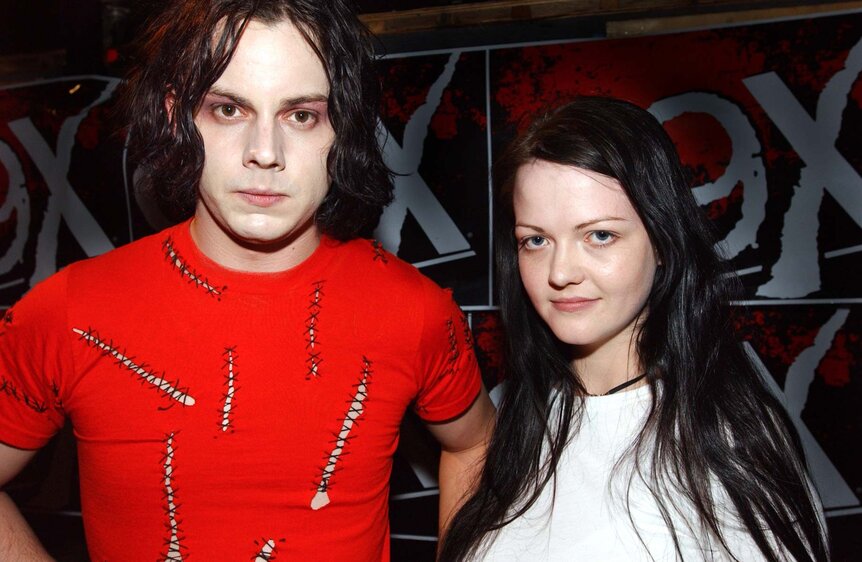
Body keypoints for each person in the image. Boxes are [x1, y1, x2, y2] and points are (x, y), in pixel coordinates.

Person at [0, 1, 494, 560]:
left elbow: (476, 443)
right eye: (229, 109)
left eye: (301, 115)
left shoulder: (415, 309)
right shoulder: (71, 309)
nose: (265, 153)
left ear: (343, 127)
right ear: (177, 114)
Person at [439, 96, 828, 561]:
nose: (561, 271)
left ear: (663, 241)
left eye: (599, 235)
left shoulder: (733, 445)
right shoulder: (515, 429)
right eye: (536, 240)